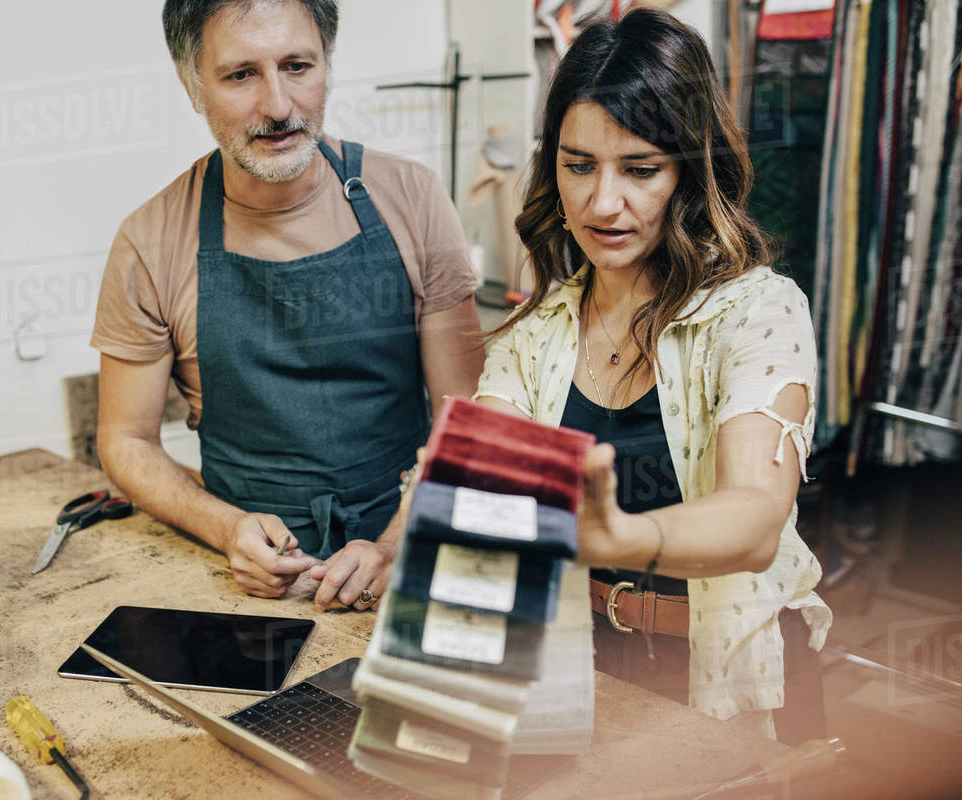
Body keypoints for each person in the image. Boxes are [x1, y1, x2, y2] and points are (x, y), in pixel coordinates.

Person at [472, 8, 831, 743]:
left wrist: (614, 535)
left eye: (640, 170)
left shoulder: (759, 314)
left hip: (724, 673)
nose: (604, 203)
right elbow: (493, 508)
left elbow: (756, 520)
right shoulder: (533, 337)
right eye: (578, 166)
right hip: (579, 670)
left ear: (691, 173)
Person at [91, 0, 485, 606]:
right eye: (240, 74)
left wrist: (395, 543)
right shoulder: (150, 241)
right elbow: (125, 440)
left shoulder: (412, 197)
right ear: (192, 85)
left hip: (410, 558)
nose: (278, 107)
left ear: (327, 63)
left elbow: (470, 422)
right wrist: (226, 529)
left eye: (297, 66)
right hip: (248, 584)